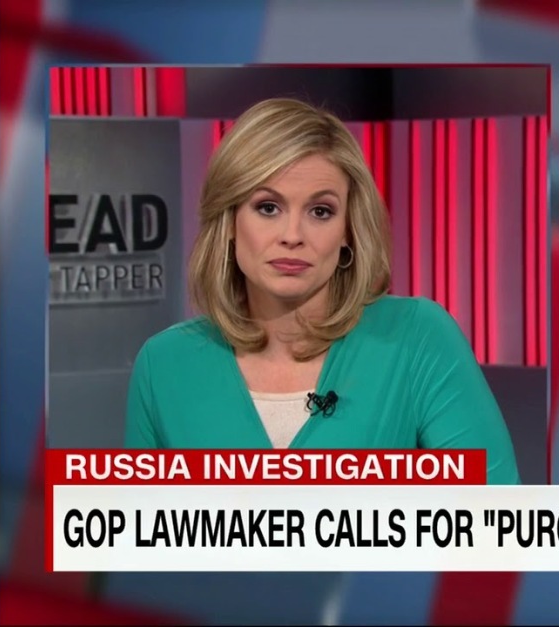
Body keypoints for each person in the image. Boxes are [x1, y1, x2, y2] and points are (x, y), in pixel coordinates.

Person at [124, 97, 520, 485]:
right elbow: (140, 524)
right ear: (228, 221)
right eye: (268, 207)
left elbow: (498, 514)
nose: (292, 235)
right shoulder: (164, 364)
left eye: (320, 211)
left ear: (348, 230)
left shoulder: (418, 338)